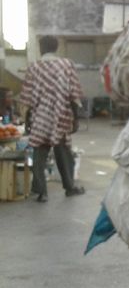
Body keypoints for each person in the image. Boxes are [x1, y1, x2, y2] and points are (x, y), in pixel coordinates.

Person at [19, 35, 85, 203]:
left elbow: (27, 96)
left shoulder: (34, 68)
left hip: (40, 117)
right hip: (61, 116)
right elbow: (74, 94)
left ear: (41, 48)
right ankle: (69, 187)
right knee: (64, 153)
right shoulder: (66, 65)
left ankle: (41, 192)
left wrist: (28, 120)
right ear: (56, 48)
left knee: (39, 155)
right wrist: (75, 118)